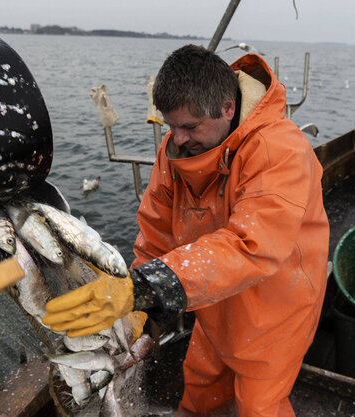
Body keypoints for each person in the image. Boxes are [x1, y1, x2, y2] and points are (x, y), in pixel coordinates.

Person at [43, 44, 329, 416]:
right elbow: (157, 231)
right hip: (210, 300)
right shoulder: (176, 150)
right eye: (171, 126)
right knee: (200, 390)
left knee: (260, 405)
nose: (176, 139)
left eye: (190, 127)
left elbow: (251, 245)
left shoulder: (280, 150)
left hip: (275, 309)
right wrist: (141, 306)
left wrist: (148, 287)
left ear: (228, 108)